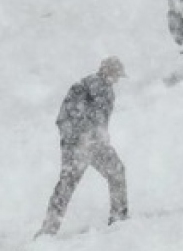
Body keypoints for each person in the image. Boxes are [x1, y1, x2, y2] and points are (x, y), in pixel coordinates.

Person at [36, 57, 129, 237]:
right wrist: (91, 137)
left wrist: (73, 139)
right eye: (116, 75)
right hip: (87, 143)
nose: (117, 80)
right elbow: (97, 118)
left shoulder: (85, 85)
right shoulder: (100, 87)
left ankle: (49, 229)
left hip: (74, 143)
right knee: (117, 171)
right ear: (109, 72)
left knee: (66, 185)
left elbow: (64, 118)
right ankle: (119, 218)